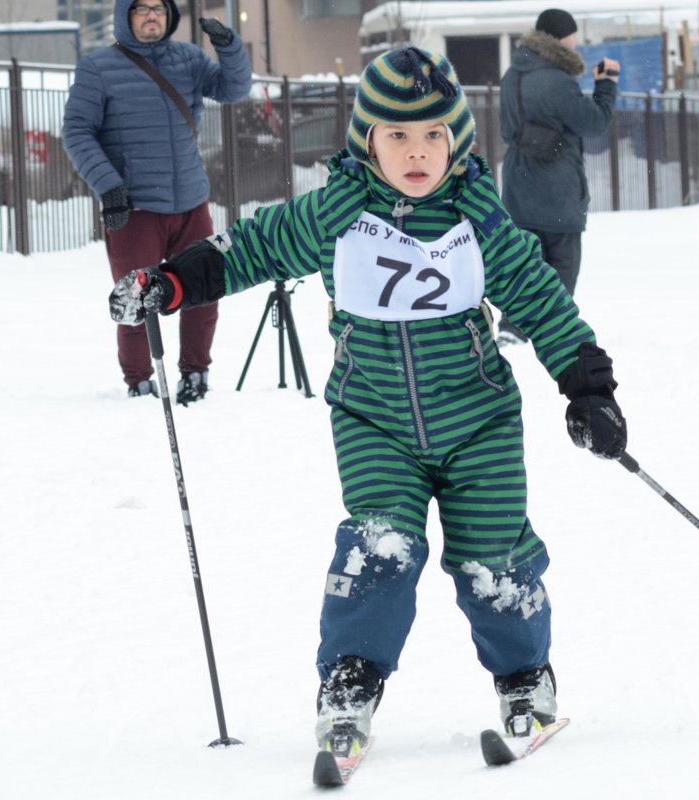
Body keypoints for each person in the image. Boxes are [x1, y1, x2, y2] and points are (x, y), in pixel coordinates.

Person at [107, 47, 628, 754]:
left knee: (494, 559)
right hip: (373, 421)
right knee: (378, 549)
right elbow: (251, 248)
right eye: (398, 136)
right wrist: (170, 283)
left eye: (433, 136)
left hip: (480, 424)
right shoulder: (338, 214)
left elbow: (540, 299)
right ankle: (350, 682)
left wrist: (586, 385)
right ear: (368, 141)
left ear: (458, 140)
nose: (418, 153)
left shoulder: (478, 220)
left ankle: (524, 679)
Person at [63, 0, 252, 402]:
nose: (152, 16)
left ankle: (196, 373)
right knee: (136, 296)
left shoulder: (189, 58)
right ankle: (139, 380)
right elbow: (78, 132)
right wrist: (109, 188)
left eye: (159, 9)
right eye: (142, 8)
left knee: (203, 291)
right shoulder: (97, 68)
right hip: (135, 208)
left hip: (190, 201)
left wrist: (229, 47)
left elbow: (234, 90)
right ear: (125, 16)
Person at [497, 8, 620, 345]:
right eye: (573, 36)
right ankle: (555, 330)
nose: (576, 43)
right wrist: (606, 86)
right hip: (558, 190)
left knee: (524, 263)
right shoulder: (555, 80)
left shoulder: (512, 76)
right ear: (562, 38)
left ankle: (512, 326)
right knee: (562, 264)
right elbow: (592, 121)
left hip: (519, 186)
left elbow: (507, 128)